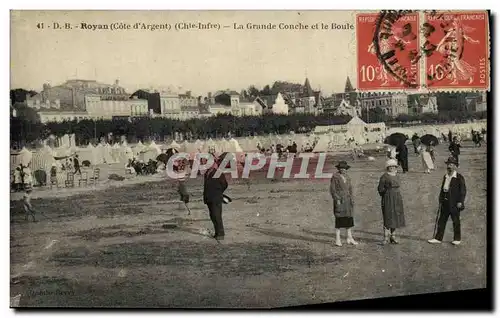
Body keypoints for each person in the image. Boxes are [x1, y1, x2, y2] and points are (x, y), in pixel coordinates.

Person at [428, 157, 466, 245]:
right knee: (441, 221)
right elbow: (443, 188)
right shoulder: (445, 176)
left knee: (455, 220)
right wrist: (440, 198)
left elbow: (463, 191)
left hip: (454, 202)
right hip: (445, 201)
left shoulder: (459, 177)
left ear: (455, 166)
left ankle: (457, 239)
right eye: (448, 165)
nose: (449, 166)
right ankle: (438, 238)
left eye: (451, 165)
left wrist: (461, 201)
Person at [377, 159, 406, 244]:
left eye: (394, 166)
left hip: (397, 197)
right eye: (390, 166)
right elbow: (380, 189)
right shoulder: (384, 176)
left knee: (395, 216)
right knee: (388, 216)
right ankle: (385, 237)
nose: (392, 168)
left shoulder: (397, 175)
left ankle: (393, 236)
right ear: (387, 167)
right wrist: (386, 195)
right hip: (388, 197)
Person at [330, 161, 357, 246]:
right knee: (339, 219)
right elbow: (332, 190)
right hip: (340, 199)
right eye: (341, 168)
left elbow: (350, 188)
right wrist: (337, 199)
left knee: (348, 218)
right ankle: (337, 239)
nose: (343, 170)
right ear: (338, 169)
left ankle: (349, 237)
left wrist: (352, 198)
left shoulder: (347, 177)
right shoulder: (335, 177)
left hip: (347, 200)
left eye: (344, 168)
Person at [203, 156, 228, 241]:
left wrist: (218, 192)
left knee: (217, 215)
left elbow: (224, 184)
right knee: (212, 216)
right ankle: (217, 233)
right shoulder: (207, 173)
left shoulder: (218, 173)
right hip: (209, 198)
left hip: (216, 197)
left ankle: (221, 234)